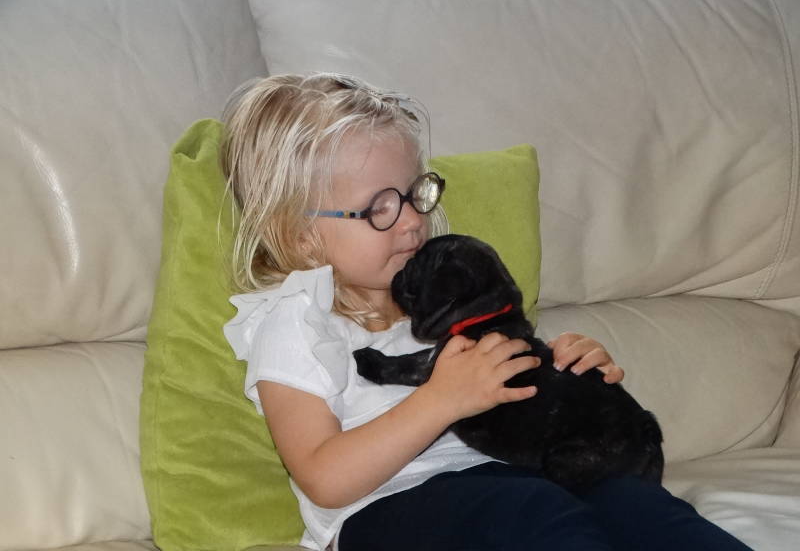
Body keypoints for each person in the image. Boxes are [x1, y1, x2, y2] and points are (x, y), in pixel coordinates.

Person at [221, 73, 752, 551]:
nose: (412, 221)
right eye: (380, 208)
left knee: (634, 505)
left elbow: (516, 387)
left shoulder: (447, 289)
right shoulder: (297, 320)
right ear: (303, 235)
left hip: (518, 480)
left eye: (414, 194)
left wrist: (566, 370)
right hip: (385, 511)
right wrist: (441, 399)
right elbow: (323, 477)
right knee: (535, 512)